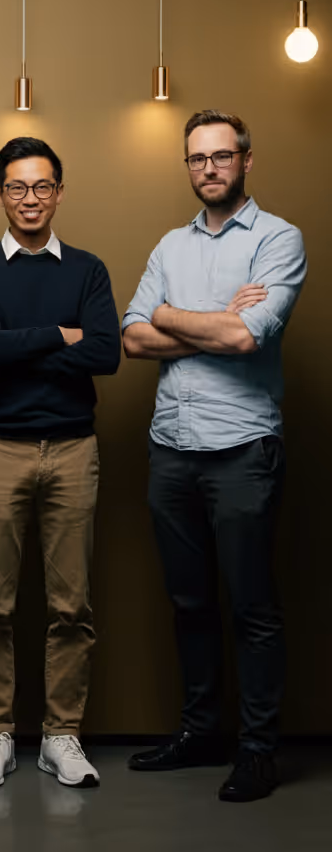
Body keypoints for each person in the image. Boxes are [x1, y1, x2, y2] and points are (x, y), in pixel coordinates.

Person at [123, 110, 306, 803]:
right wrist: (211, 317)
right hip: (172, 449)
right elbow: (132, 337)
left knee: (252, 606)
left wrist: (170, 315)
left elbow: (245, 338)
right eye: (197, 158)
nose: (209, 168)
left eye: (221, 156)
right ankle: (201, 733)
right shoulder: (170, 245)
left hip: (243, 449)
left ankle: (257, 751)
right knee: (189, 602)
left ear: (246, 161)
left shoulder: (278, 239)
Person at [0, 137, 120, 791]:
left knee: (71, 606)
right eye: (17, 187)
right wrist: (58, 335)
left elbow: (105, 354)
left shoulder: (87, 269)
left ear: (59, 192)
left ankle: (60, 736)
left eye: (42, 186)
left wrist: (10, 341)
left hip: (74, 449)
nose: (30, 198)